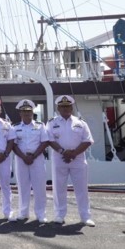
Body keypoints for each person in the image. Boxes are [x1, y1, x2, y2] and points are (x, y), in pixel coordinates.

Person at [46, 95, 95, 226]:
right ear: (58, 108)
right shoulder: (51, 123)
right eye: (62, 106)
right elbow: (50, 140)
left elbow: (88, 140)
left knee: (81, 188)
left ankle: (85, 216)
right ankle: (59, 215)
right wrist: (63, 152)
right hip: (59, 158)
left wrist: (73, 154)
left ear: (71, 107)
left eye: (67, 106)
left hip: (78, 159)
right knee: (59, 188)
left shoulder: (81, 123)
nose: (65, 108)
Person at [12, 99, 49, 223]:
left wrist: (33, 156)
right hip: (21, 160)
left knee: (39, 187)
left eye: (29, 112)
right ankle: (23, 212)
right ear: (20, 114)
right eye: (24, 112)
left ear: (32, 113)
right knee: (23, 187)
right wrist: (24, 157)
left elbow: (44, 142)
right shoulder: (15, 127)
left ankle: (41, 214)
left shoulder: (40, 126)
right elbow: (13, 145)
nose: (27, 114)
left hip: (37, 159)